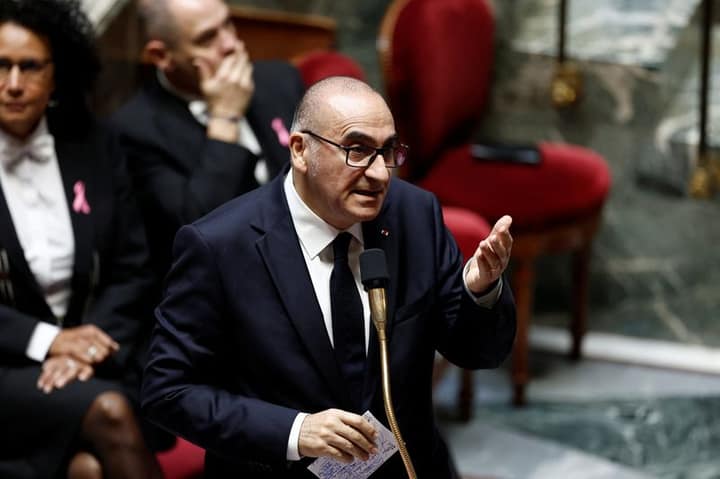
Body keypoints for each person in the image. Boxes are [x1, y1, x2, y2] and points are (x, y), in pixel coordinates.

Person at [141, 76, 517, 478]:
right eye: (358, 151)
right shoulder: (220, 246)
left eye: (388, 151)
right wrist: (295, 431)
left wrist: (480, 291)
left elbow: (478, 353)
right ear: (301, 150)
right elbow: (168, 391)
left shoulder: (414, 215)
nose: (379, 174)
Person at [0, 1, 163, 477]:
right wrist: (51, 341)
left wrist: (87, 350)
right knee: (109, 412)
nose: (13, 83)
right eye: (1, 66)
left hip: (92, 365)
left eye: (30, 66)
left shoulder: (93, 144)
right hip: (8, 369)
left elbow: (133, 267)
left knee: (90, 470)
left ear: (57, 75)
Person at [111, 0, 305, 283]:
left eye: (227, 24)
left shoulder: (280, 80)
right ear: (162, 55)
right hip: (232, 281)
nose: (230, 44)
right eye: (206, 38)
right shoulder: (135, 131)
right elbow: (196, 228)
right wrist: (225, 118)